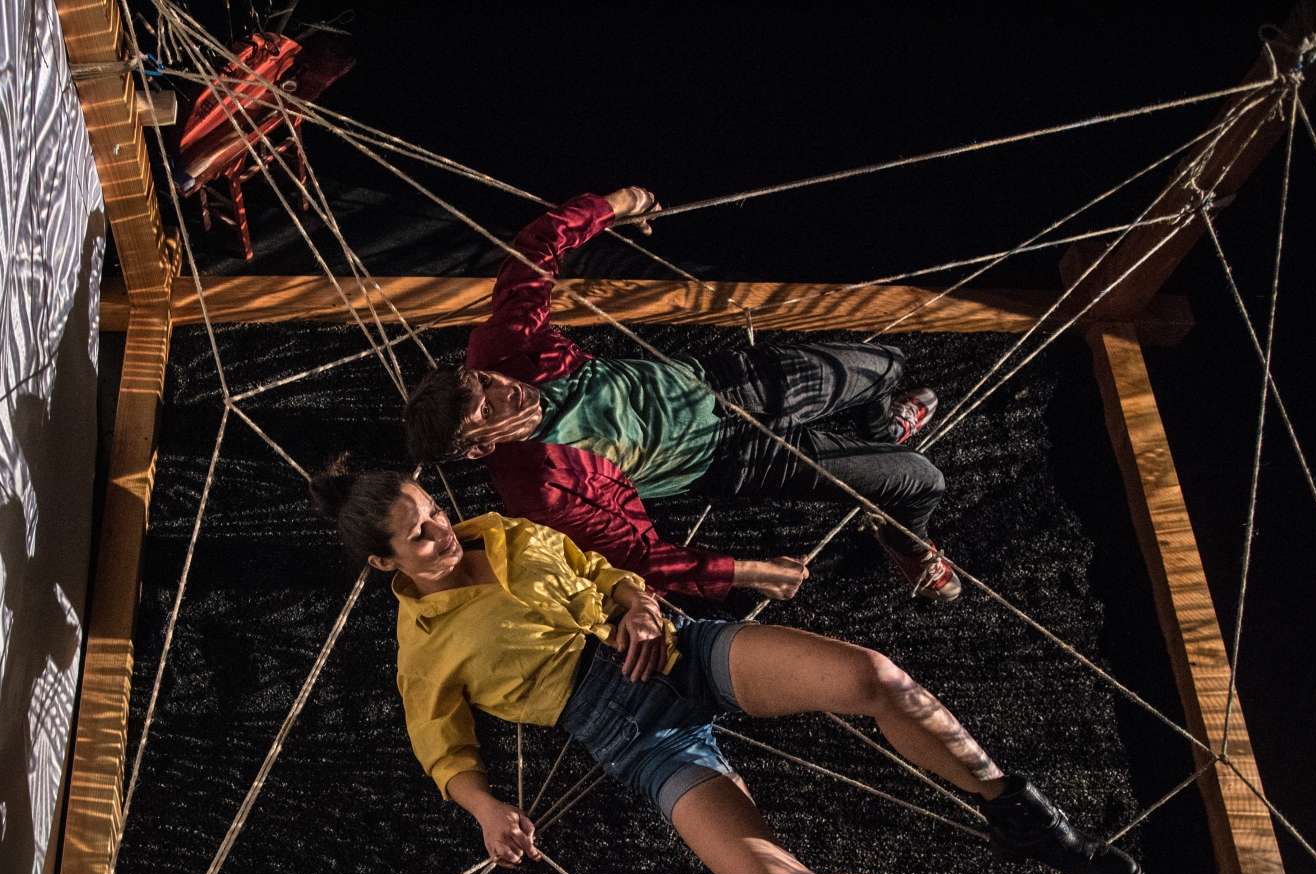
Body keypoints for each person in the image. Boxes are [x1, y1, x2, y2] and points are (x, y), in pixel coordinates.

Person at [310, 459, 1140, 874]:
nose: (441, 534)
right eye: (417, 538)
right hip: (635, 737)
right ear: (384, 563)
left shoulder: (508, 530)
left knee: (873, 677)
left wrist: (635, 602)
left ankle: (1022, 813)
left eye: (435, 513)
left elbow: (600, 567)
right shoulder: (421, 649)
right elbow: (438, 744)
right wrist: (487, 807)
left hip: (678, 648)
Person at [403, 186, 960, 604]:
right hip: (731, 460)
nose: (504, 389)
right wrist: (745, 570)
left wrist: (617, 203)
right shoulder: (542, 492)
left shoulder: (504, 347)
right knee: (919, 478)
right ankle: (906, 541)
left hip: (724, 382)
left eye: (484, 381)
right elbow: (642, 557)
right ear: (479, 448)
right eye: (488, 408)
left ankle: (878, 434)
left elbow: (534, 250)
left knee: (886, 366)